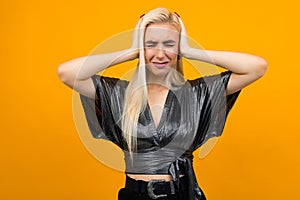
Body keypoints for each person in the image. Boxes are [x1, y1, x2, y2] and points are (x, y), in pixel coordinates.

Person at [57, 7, 267, 200]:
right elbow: (66, 73)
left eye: (169, 44)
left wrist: (191, 51)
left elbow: (257, 67)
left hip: (182, 194)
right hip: (134, 195)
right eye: (151, 44)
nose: (160, 53)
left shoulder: (197, 93)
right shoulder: (120, 94)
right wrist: (131, 52)